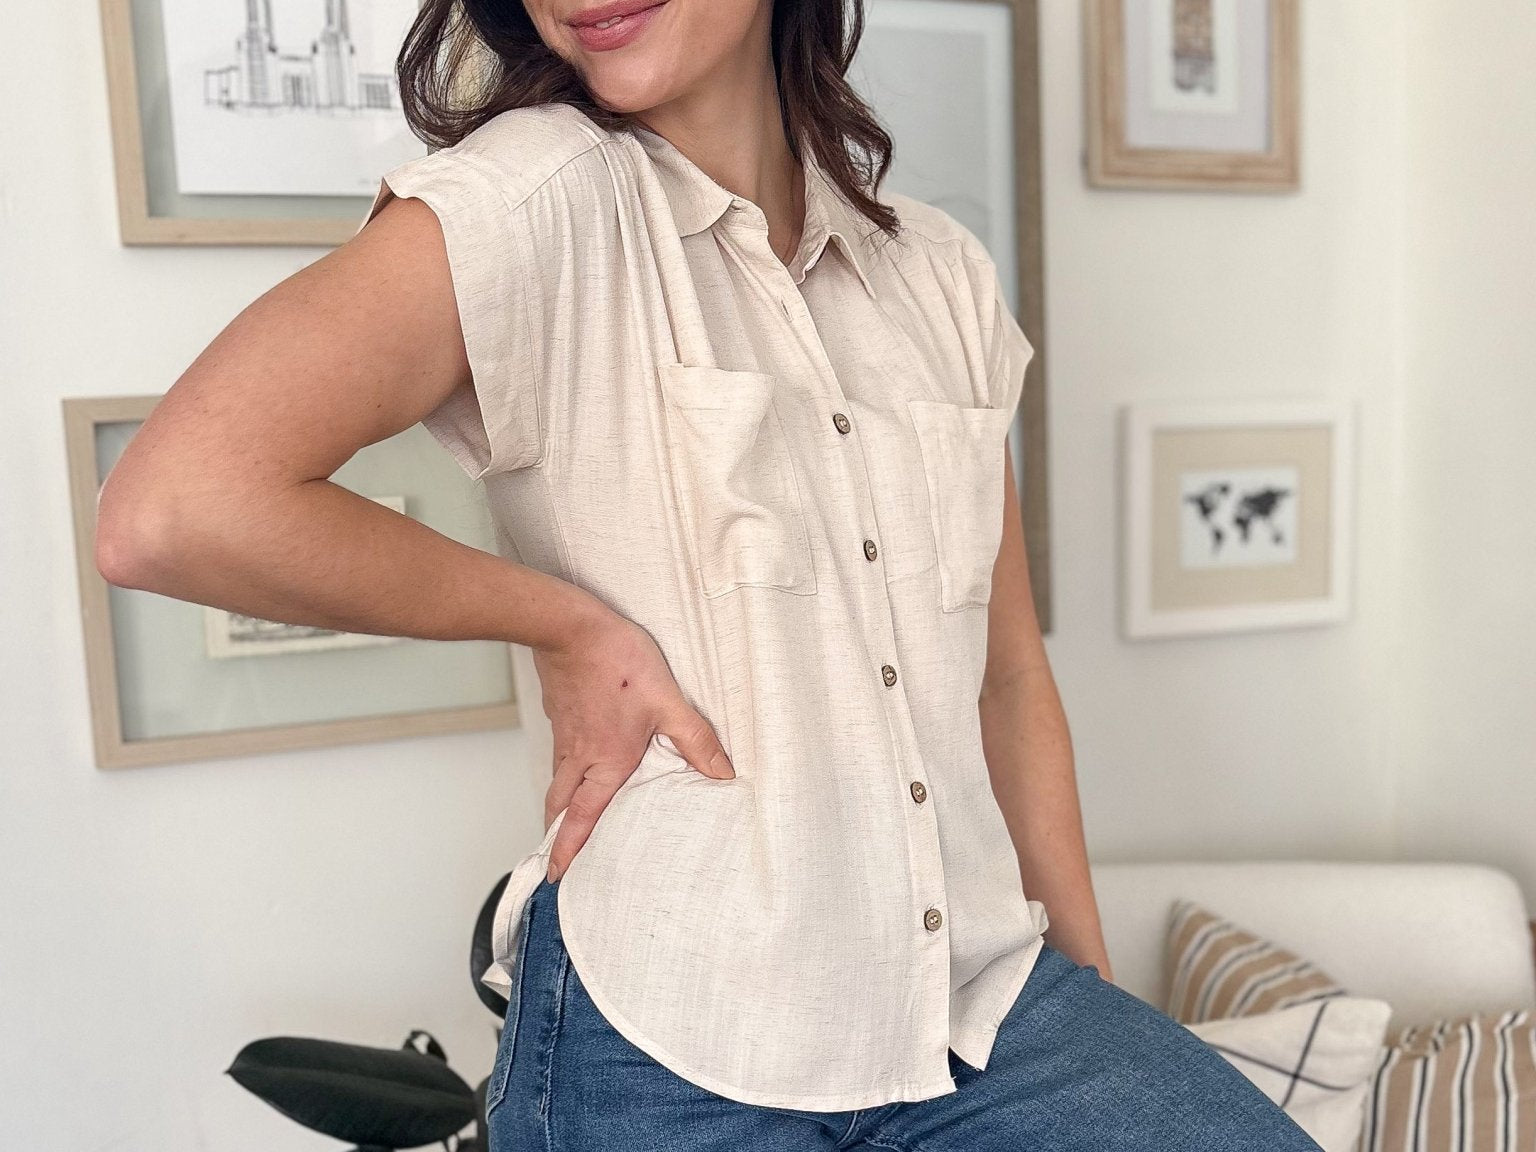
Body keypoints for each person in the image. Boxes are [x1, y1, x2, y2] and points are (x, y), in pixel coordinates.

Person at [96, 0, 1326, 1148]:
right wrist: (567, 625)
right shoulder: (532, 205)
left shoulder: (940, 274)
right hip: (671, 1040)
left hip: (978, 1007)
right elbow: (173, 508)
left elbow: (1006, 678)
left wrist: (1092, 1014)